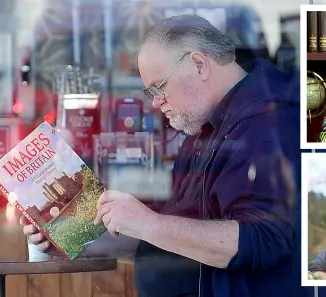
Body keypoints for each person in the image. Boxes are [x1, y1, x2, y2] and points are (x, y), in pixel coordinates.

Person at [21, 15, 313, 297]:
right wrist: (71, 237)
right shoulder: (205, 130)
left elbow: (263, 239)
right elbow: (168, 236)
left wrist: (148, 223)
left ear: (199, 65)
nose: (156, 102)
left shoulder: (267, 123)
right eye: (150, 92)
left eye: (159, 87)